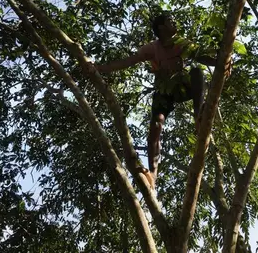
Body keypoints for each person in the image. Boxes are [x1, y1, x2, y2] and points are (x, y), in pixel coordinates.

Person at [95, 12, 227, 190]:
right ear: (161, 27)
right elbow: (128, 61)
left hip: (182, 87)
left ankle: (199, 117)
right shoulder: (152, 48)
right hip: (164, 90)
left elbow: (200, 56)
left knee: (197, 72)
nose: (174, 22)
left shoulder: (182, 43)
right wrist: (99, 68)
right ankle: (152, 175)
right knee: (156, 126)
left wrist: (222, 60)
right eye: (170, 20)